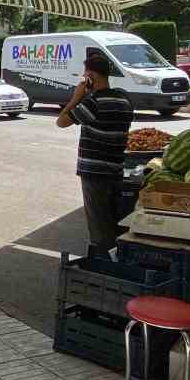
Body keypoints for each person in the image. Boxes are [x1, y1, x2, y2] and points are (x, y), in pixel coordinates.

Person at [56, 49, 133, 256]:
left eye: (85, 75)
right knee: (116, 221)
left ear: (90, 77)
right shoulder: (124, 100)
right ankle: (119, 258)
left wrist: (76, 97)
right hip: (116, 170)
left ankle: (107, 267)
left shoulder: (93, 103)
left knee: (100, 227)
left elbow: (61, 122)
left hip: (94, 174)